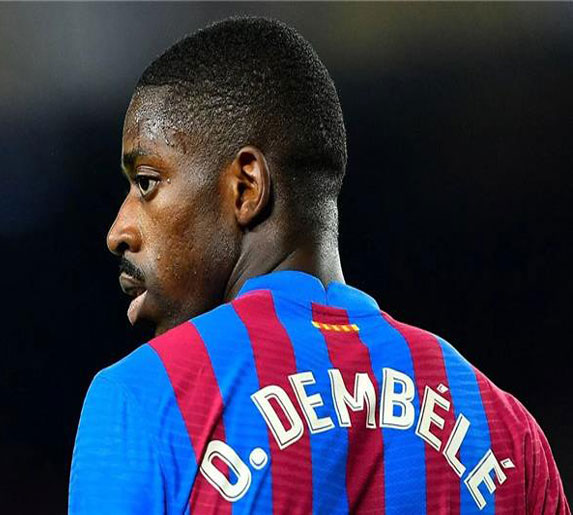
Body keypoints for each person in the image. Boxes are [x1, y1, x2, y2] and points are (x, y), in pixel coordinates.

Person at [68, 16, 569, 514]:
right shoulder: (508, 434)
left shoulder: (143, 403)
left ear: (246, 187)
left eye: (147, 182)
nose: (119, 230)